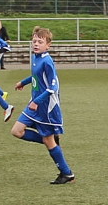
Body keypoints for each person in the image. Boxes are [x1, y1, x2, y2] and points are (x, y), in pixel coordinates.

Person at [11, 27, 75, 184]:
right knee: (16, 131)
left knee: (48, 141)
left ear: (48, 45)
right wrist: (23, 82)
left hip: (46, 108)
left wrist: (37, 102)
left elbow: (52, 88)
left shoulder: (47, 61)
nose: (36, 44)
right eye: (34, 41)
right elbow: (36, 76)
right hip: (34, 104)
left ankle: (66, 173)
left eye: (40, 42)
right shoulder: (35, 57)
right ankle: (51, 141)